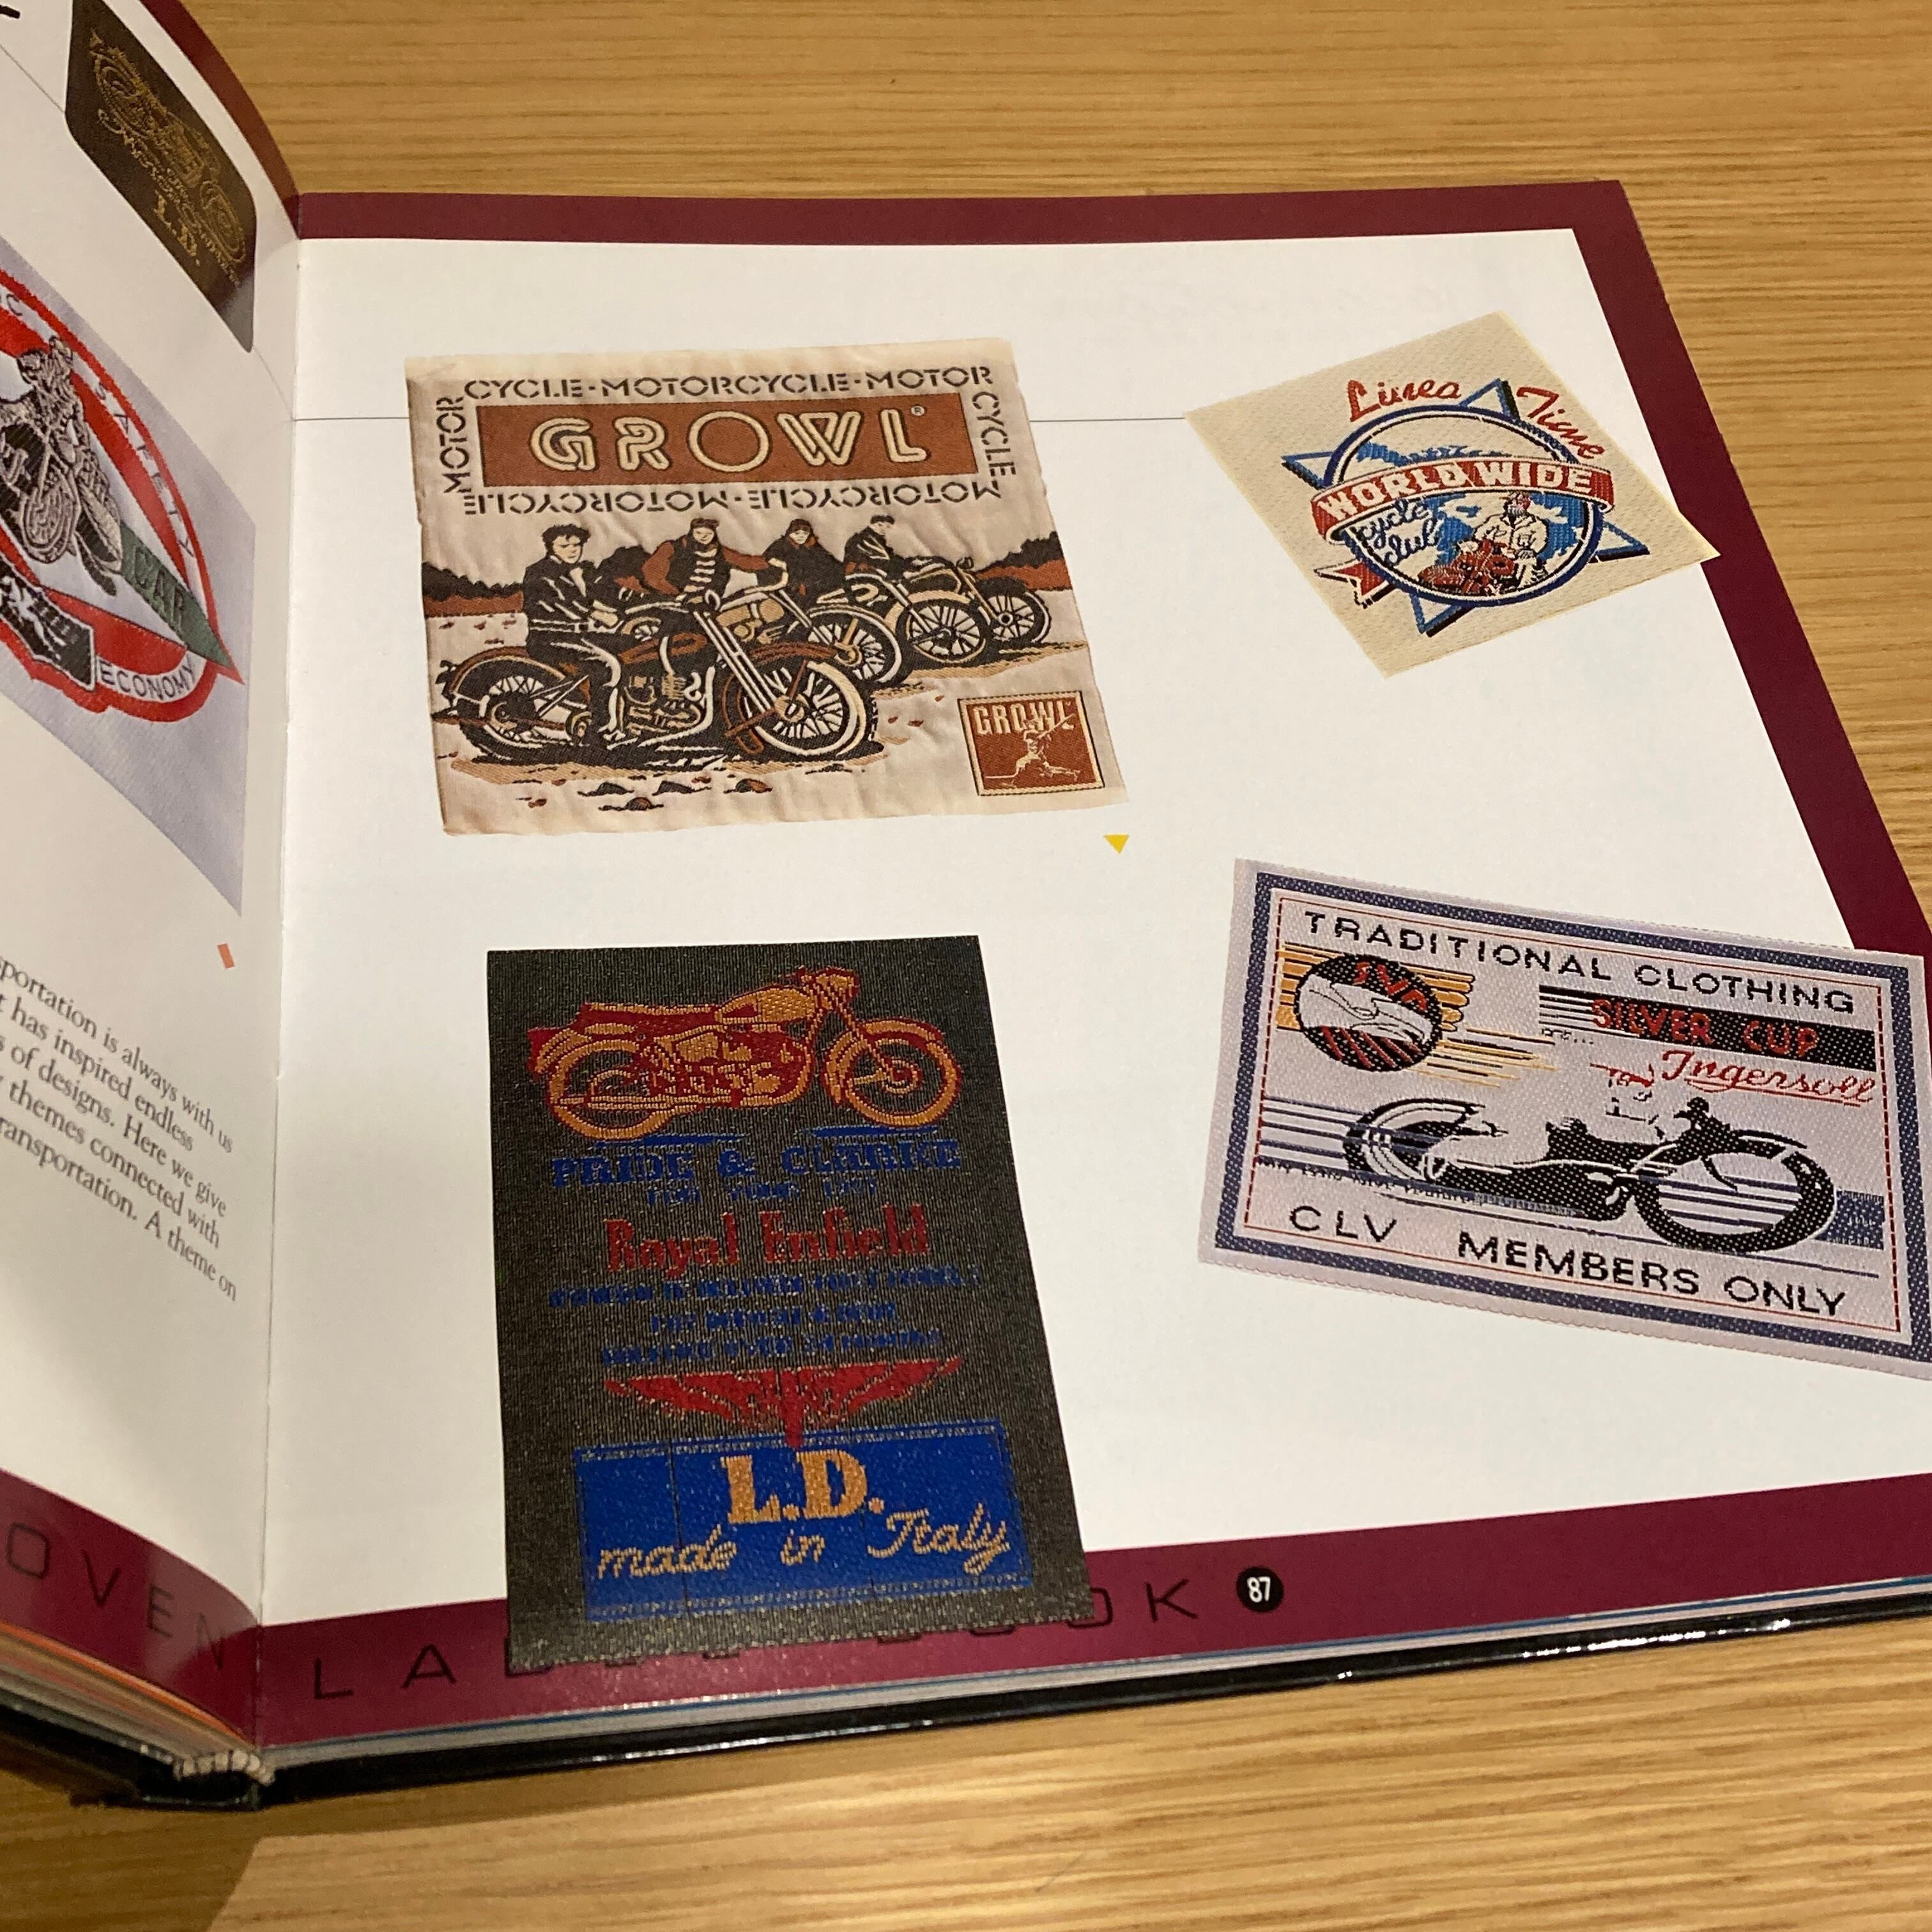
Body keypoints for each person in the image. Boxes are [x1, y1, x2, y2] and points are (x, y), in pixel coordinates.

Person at [519, 524, 632, 747]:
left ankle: (631, 717)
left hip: (576, 636)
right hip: (549, 638)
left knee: (631, 647)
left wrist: (621, 612)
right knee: (606, 666)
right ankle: (598, 730)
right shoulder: (541, 572)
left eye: (576, 545)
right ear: (551, 547)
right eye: (564, 546)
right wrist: (597, 615)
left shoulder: (570, 571)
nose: (572, 550)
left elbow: (587, 601)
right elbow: (560, 604)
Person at [639, 515, 767, 604]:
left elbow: (746, 562)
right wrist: (678, 590)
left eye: (708, 534)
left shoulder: (721, 552)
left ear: (714, 534)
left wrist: (770, 562)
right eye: (699, 533)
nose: (704, 537)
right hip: (670, 598)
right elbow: (652, 574)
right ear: (692, 532)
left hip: (708, 601)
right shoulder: (672, 548)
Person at [762, 516, 843, 607]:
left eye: (805, 531)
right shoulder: (781, 545)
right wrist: (797, 583)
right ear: (790, 532)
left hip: (812, 587)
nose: (801, 534)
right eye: (797, 531)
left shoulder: (812, 546)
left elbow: (830, 562)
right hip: (787, 589)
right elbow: (770, 563)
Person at [841, 512, 910, 577]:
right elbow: (867, 561)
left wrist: (908, 562)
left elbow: (890, 557)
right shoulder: (859, 539)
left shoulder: (879, 539)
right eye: (887, 526)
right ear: (878, 524)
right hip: (863, 576)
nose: (888, 530)